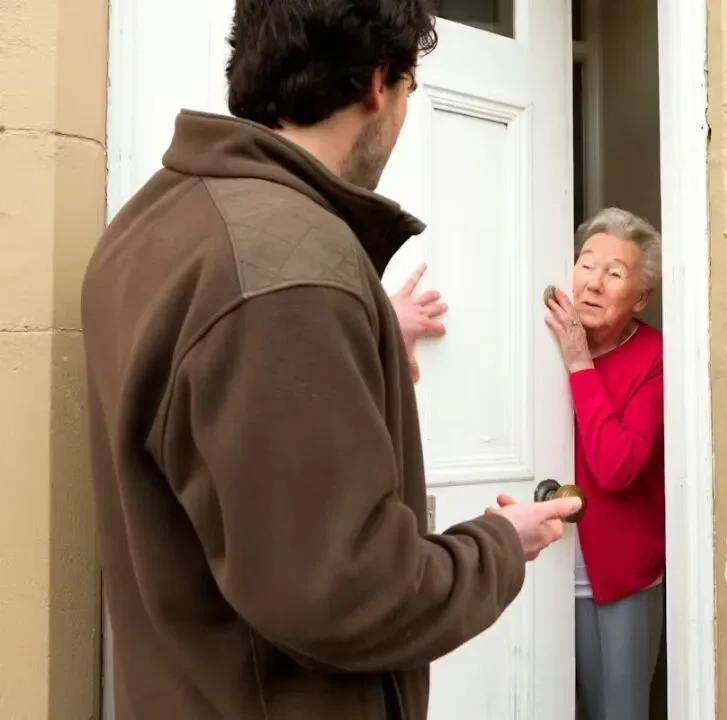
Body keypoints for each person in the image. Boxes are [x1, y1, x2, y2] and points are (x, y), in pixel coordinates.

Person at [79, 1, 583, 718]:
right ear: (378, 84)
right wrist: (502, 545)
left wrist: (359, 335)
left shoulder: (157, 222)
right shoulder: (291, 274)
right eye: (409, 91)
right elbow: (350, 591)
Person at [544, 207, 665, 720]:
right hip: (540, 563)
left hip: (617, 576)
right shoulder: (537, 341)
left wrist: (579, 363)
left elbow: (618, 468)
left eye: (614, 273)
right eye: (586, 264)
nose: (593, 283)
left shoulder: (655, 356)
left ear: (641, 297)